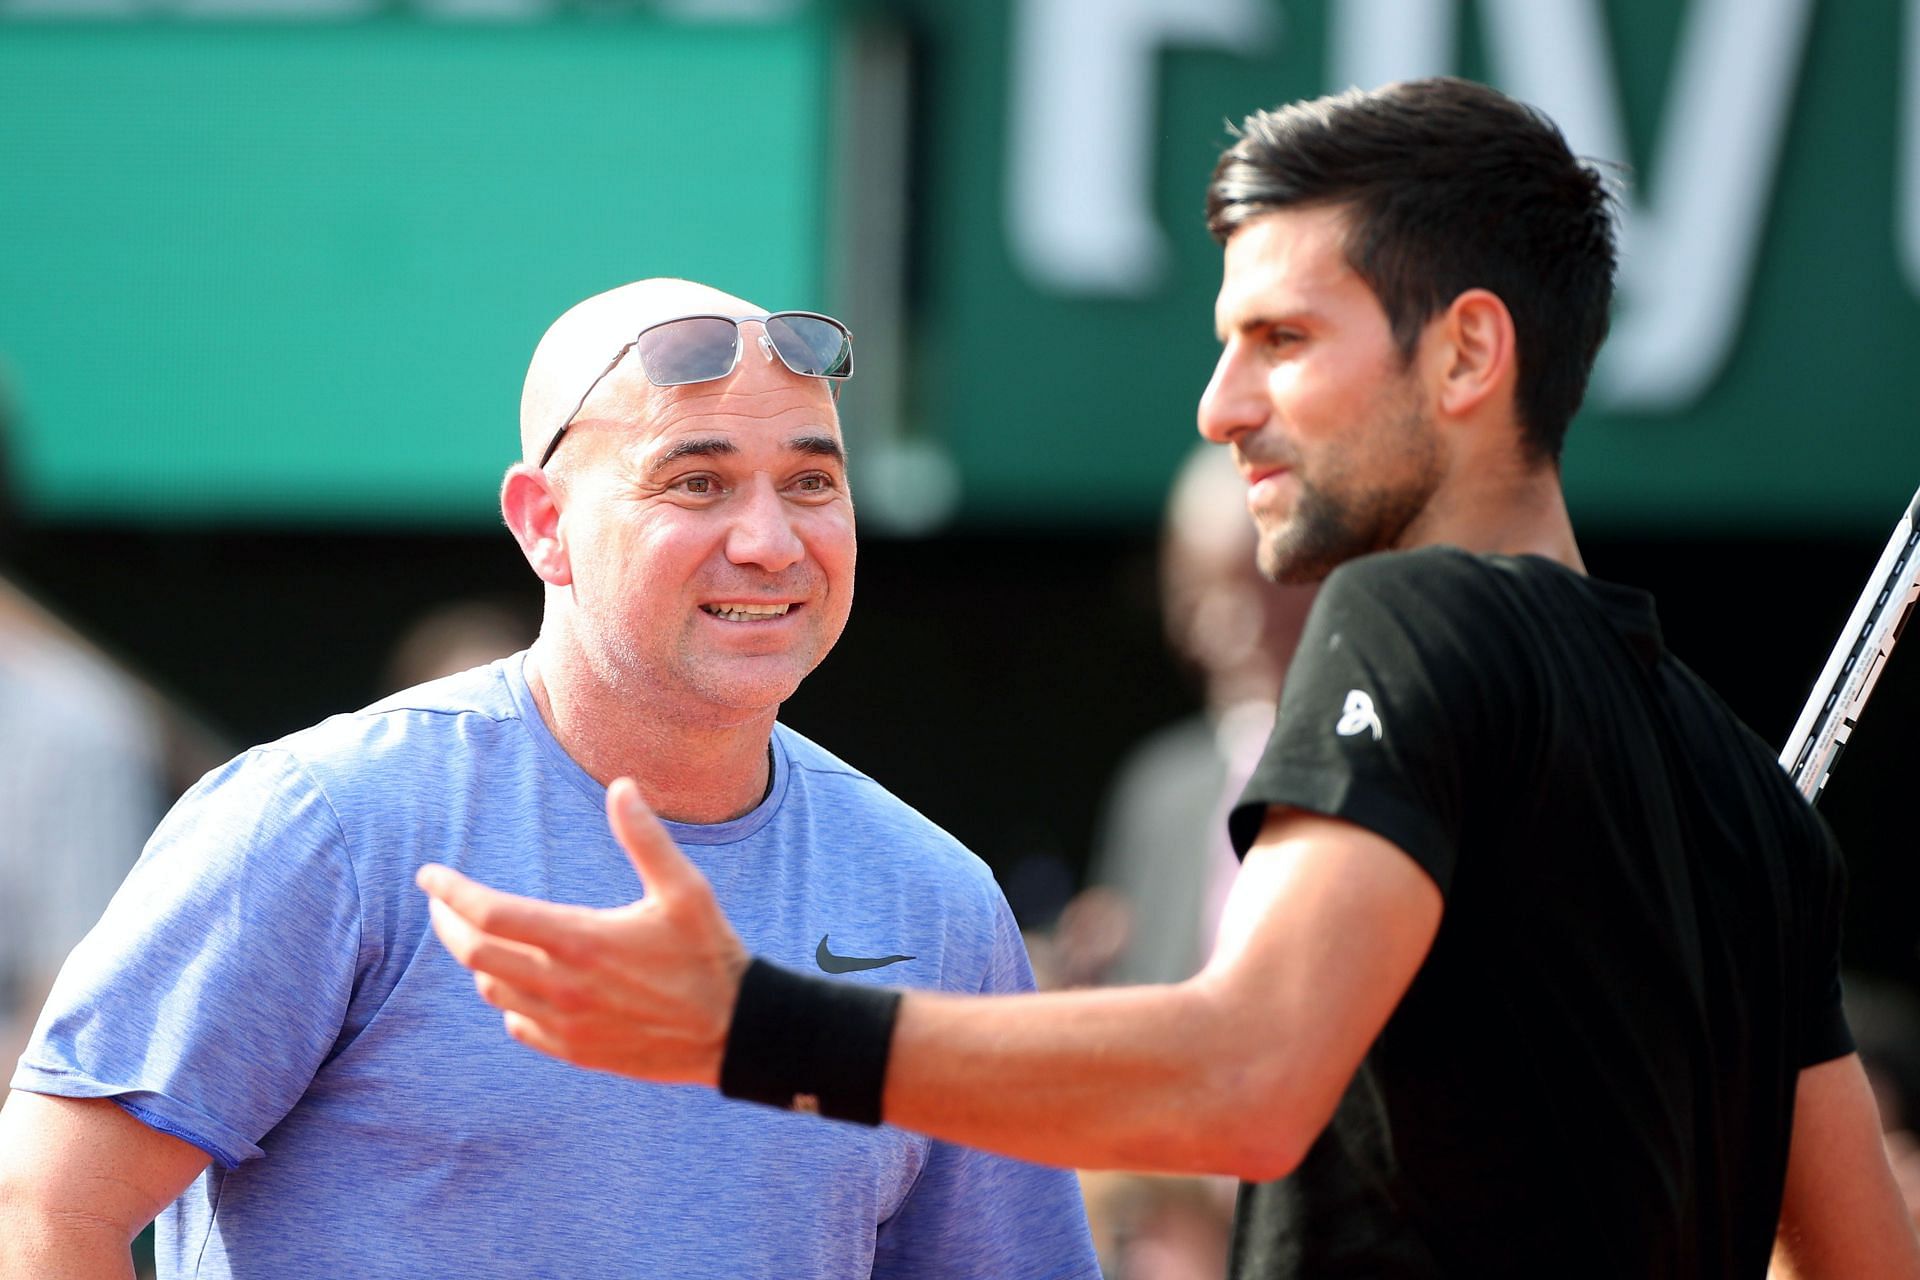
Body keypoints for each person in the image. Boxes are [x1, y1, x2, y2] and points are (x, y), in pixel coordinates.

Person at [415, 79, 1920, 1277]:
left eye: (1279, 341)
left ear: (1468, 357)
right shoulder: (1741, 790)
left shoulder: (1415, 618)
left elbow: (1246, 1077)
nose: (1220, 407)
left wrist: (748, 1024)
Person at [0, 278, 1100, 1279]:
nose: (769, 539)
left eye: (811, 480)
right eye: (698, 480)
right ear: (544, 524)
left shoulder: (936, 900)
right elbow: (48, 1208)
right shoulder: (327, 822)